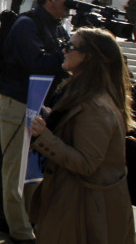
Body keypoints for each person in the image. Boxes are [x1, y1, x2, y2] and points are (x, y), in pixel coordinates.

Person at [29, 27, 135, 243]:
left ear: (90, 57)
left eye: (71, 46)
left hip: (84, 209)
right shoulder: (81, 92)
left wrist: (44, 137)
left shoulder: (97, 106)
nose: (64, 50)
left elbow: (87, 163)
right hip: (74, 200)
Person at [0, 0, 73, 244]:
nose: (71, 5)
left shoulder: (56, 27)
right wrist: (65, 56)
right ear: (49, 0)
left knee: (33, 170)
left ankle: (31, 219)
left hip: (41, 104)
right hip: (18, 103)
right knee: (15, 169)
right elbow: (36, 63)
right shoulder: (27, 25)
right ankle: (20, 232)